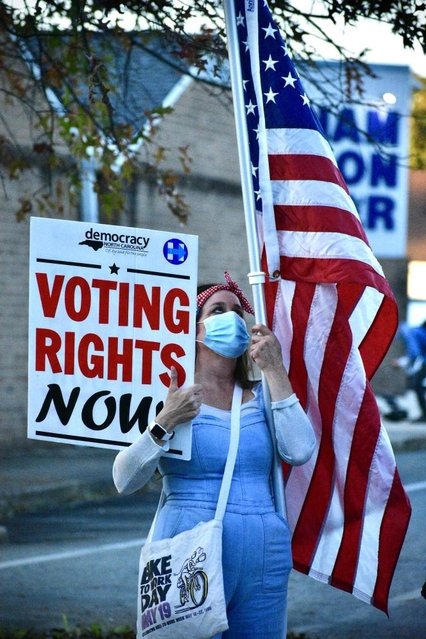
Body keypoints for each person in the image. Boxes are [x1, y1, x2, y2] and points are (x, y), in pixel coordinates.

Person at [112, 272, 316, 638]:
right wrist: (164, 422)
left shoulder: (262, 394)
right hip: (188, 542)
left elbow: (300, 449)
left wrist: (274, 369)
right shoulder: (166, 393)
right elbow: (124, 479)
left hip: (263, 550)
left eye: (238, 311)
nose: (233, 319)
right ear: (191, 328)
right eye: (217, 310)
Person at [393, 320, 426, 423]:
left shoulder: (409, 332)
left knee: (417, 385)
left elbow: (414, 353)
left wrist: (400, 362)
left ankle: (424, 414)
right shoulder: (415, 331)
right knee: (418, 385)